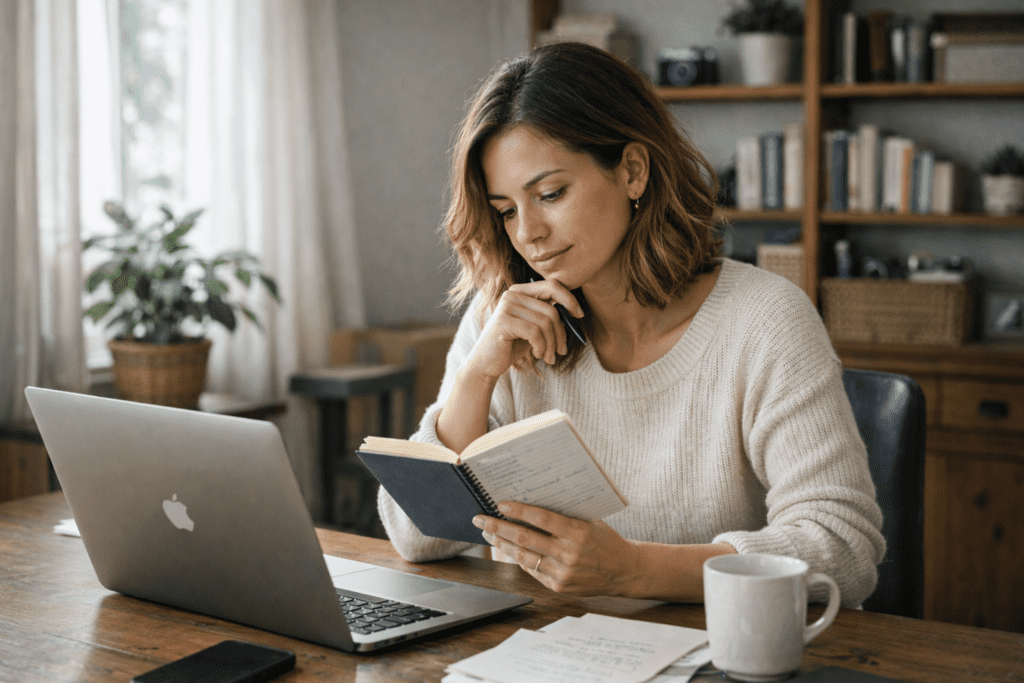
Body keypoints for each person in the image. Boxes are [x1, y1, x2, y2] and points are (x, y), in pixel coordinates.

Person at [377, 41, 884, 607]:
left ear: (633, 172)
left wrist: (634, 570)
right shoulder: (503, 319)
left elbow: (843, 550)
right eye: (506, 210)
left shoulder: (764, 321)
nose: (529, 234)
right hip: (543, 653)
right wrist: (477, 375)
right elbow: (413, 535)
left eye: (550, 193)